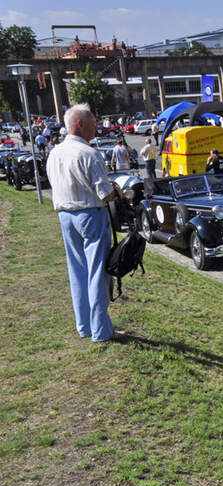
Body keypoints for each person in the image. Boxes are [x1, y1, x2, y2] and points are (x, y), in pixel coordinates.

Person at [45, 103, 117, 342]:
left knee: (76, 271)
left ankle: (84, 325)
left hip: (65, 215)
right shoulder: (89, 153)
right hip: (90, 214)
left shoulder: (54, 152)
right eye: (94, 123)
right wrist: (116, 191)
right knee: (97, 272)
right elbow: (104, 193)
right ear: (80, 124)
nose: (97, 126)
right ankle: (100, 329)